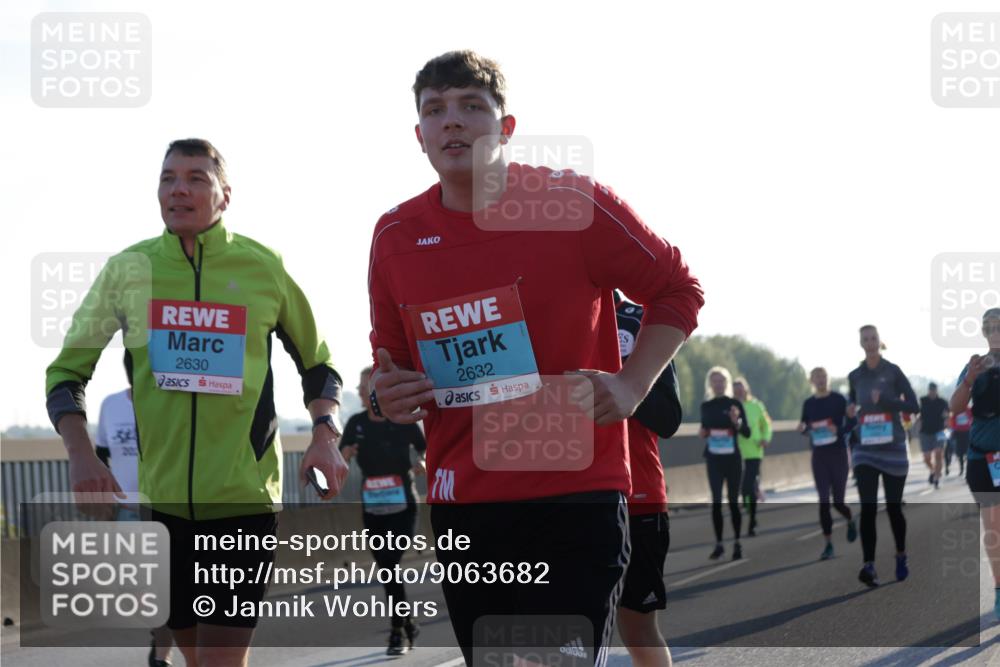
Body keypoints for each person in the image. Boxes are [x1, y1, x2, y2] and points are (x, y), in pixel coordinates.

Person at [366, 51, 704, 667]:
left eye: (473, 106)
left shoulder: (573, 204)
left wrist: (631, 386)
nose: (453, 122)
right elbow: (391, 371)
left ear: (507, 127)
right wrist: (387, 399)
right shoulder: (395, 235)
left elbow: (678, 288)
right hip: (465, 502)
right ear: (419, 136)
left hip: (574, 492)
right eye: (435, 111)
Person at [45, 139, 348, 667]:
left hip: (243, 500)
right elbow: (66, 374)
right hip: (161, 504)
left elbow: (320, 366)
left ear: (225, 195)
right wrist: (80, 453)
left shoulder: (262, 267)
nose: (178, 188)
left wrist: (326, 437)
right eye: (167, 178)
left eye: (196, 178)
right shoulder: (128, 270)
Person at [615, 293, 683, 667]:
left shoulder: (640, 320)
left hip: (637, 497)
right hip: (567, 496)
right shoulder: (549, 315)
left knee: (637, 630)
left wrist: (622, 384)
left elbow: (670, 419)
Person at [340, 367, 427, 656]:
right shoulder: (355, 423)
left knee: (390, 562)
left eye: (365, 387)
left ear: (376, 392)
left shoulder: (402, 421)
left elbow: (426, 448)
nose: (361, 391)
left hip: (403, 504)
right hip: (374, 508)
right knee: (387, 568)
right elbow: (340, 456)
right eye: (361, 388)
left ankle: (396, 631)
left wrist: (423, 462)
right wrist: (346, 454)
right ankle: (406, 623)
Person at [95, 383, 174, 667]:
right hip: (126, 510)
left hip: (168, 506)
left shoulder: (175, 400)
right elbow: (101, 455)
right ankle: (161, 631)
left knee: (169, 587)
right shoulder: (111, 404)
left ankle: (161, 656)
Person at [847, 325, 919, 587]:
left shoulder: (893, 371)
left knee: (892, 507)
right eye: (865, 339)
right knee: (867, 507)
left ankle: (901, 555)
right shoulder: (855, 375)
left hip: (893, 447)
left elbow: (913, 405)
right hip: (865, 448)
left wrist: (888, 400)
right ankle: (869, 566)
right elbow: (851, 405)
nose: (870, 342)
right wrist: (850, 409)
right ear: (861, 343)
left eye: (873, 338)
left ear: (879, 341)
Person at [951, 308, 1000, 619]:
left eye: (999, 325)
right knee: (994, 528)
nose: (994, 331)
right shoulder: (976, 366)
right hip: (983, 457)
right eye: (989, 326)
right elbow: (956, 408)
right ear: (983, 332)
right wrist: (970, 378)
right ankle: (999, 591)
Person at [798, 367, 857, 560]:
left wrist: (837, 430)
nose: (821, 380)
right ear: (811, 381)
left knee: (838, 501)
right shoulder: (808, 403)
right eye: (817, 378)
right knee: (823, 500)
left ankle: (850, 518)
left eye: (823, 377)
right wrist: (803, 429)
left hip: (838, 454)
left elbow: (851, 423)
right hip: (819, 456)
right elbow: (805, 426)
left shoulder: (839, 399)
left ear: (827, 379)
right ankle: (828, 544)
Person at [699, 367, 751, 560]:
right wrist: (703, 432)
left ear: (726, 383)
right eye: (715, 381)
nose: (718, 384)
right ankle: (719, 543)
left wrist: (735, 421)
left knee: (733, 501)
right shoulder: (706, 406)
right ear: (710, 384)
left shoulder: (734, 404)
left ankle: (737, 542)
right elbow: (705, 428)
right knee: (716, 501)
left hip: (732, 459)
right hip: (714, 458)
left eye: (721, 380)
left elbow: (747, 432)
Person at [732, 378, 771, 536]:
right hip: (736, 451)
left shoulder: (756, 405)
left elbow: (766, 424)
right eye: (735, 389)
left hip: (754, 450)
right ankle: (751, 512)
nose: (739, 391)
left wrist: (765, 438)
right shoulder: (731, 407)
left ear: (746, 389)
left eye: (741, 388)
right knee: (743, 489)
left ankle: (752, 522)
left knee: (748, 486)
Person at [916, 382, 950, 488]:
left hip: (940, 431)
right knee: (926, 458)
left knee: (938, 453)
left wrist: (946, 421)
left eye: (934, 390)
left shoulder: (942, 402)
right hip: (925, 432)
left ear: (936, 390)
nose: (932, 392)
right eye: (930, 390)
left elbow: (948, 414)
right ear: (928, 390)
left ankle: (936, 479)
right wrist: (917, 425)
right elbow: (917, 414)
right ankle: (933, 470)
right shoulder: (922, 400)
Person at [947, 406, 973, 476]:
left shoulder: (969, 410)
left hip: (967, 432)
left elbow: (972, 419)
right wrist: (953, 430)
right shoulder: (956, 411)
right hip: (958, 433)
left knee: (968, 452)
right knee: (959, 452)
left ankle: (969, 469)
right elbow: (952, 421)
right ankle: (961, 469)